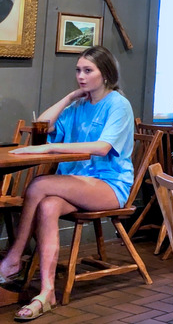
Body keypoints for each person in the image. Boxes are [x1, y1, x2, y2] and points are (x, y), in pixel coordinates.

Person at [0, 46, 134, 320]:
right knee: (48, 205)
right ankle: (47, 292)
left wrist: (48, 150)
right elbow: (42, 125)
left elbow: (101, 147)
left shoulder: (119, 104)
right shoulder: (78, 105)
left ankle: (14, 256)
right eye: (78, 70)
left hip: (108, 185)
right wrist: (70, 97)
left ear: (106, 73)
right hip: (75, 182)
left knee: (39, 186)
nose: (81, 76)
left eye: (88, 70)